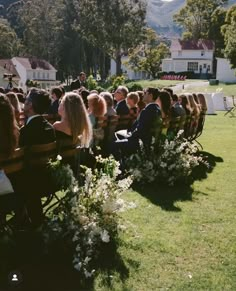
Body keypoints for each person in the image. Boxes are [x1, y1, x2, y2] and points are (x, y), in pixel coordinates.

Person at [112, 87, 161, 160]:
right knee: (119, 134)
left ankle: (122, 167)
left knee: (113, 145)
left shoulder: (147, 111)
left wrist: (129, 136)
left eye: (145, 93)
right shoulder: (157, 109)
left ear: (150, 96)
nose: (143, 95)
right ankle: (126, 160)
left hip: (140, 142)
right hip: (148, 140)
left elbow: (140, 130)